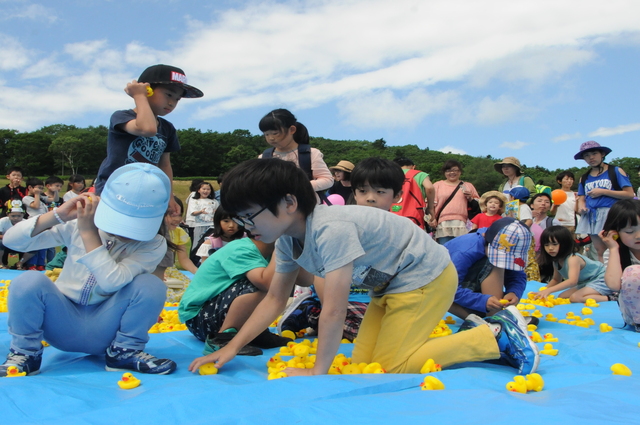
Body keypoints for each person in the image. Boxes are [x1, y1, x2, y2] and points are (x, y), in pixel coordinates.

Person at [188, 159, 539, 376]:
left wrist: (318, 371)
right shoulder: (287, 238)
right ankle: (483, 335)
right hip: (389, 287)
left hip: (424, 279)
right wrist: (231, 346)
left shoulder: (330, 229)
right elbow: (274, 300)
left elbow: (335, 308)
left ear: (289, 202)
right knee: (365, 362)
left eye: (251, 215)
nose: (246, 226)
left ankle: (491, 338)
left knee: (391, 367)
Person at [0, 163, 177, 376]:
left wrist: (89, 233)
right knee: (26, 281)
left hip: (107, 328)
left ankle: (125, 351)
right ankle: (25, 353)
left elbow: (112, 281)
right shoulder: (76, 222)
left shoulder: (153, 243)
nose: (125, 232)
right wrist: (59, 215)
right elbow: (12, 241)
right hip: (60, 322)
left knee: (151, 286)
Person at [93, 64, 203, 215]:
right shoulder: (122, 116)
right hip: (114, 189)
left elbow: (165, 165)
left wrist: (169, 196)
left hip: (145, 193)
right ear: (147, 90)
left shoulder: (167, 128)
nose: (172, 103)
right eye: (168, 95)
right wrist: (139, 96)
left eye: (177, 99)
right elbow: (148, 129)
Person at [179, 237, 290, 356]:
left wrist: (295, 253)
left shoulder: (267, 252)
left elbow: (305, 280)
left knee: (277, 282)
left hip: (213, 314)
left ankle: (254, 333)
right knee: (263, 285)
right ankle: (223, 338)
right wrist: (281, 249)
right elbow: (267, 283)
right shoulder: (241, 249)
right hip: (200, 319)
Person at [446, 218, 531, 319]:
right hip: (440, 287)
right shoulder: (464, 252)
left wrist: (513, 292)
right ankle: (491, 318)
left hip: (465, 287)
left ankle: (488, 316)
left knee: (496, 264)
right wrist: (482, 301)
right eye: (500, 256)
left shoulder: (491, 240)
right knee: (493, 265)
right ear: (484, 237)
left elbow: (517, 274)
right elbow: (449, 288)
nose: (502, 261)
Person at [574, 141, 634, 263]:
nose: (591, 157)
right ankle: (604, 277)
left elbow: (629, 194)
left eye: (594, 153)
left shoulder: (615, 171)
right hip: (592, 217)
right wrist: (582, 207)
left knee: (618, 248)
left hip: (612, 214)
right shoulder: (584, 177)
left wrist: (604, 191)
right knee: (599, 250)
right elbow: (581, 198)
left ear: (602, 154)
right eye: (586, 155)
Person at [258, 108, 333, 194]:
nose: (271, 138)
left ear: (292, 130)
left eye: (275, 133)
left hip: (306, 205)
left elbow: (327, 180)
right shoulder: (264, 157)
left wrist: (299, 187)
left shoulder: (310, 154)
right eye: (266, 134)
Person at [533, 226, 614, 303]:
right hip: (585, 282)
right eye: (546, 245)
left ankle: (612, 298)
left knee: (575, 298)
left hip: (601, 279)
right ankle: (593, 292)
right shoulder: (556, 261)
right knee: (562, 296)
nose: (550, 248)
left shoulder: (573, 258)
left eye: (554, 244)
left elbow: (572, 281)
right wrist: (543, 291)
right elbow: (556, 279)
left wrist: (549, 290)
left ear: (565, 244)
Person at [600, 199, 640, 331]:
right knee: (633, 272)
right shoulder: (613, 254)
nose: (638, 236)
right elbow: (614, 285)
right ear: (615, 233)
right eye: (629, 231)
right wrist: (613, 249)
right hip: (634, 314)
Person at [154, 197, 198, 303]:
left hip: (171, 271)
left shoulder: (179, 232)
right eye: (172, 215)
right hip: (152, 271)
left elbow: (184, 260)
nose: (177, 219)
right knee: (164, 294)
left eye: (179, 214)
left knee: (192, 290)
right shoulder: (152, 233)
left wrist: (199, 274)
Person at [433, 160, 479, 244]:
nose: (452, 172)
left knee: (460, 251)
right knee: (445, 250)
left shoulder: (468, 186)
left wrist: (470, 198)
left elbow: (479, 206)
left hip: (463, 224)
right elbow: (430, 204)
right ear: (444, 172)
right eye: (448, 170)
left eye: (455, 170)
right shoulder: (437, 185)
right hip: (443, 223)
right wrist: (431, 219)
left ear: (460, 172)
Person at [394, 157, 436, 227]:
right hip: (414, 214)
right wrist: (430, 208)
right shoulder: (420, 174)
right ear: (413, 167)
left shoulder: (389, 175)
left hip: (392, 212)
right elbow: (429, 188)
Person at [185, 182, 218, 255]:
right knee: (197, 243)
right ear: (199, 190)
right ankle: (194, 259)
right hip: (199, 225)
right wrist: (201, 211)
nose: (206, 191)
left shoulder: (214, 201)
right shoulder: (194, 201)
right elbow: (193, 212)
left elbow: (217, 212)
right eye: (204, 189)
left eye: (208, 189)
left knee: (210, 243)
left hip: (212, 225)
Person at [0, 201, 25, 268]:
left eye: (19, 216)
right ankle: (1, 263)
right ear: (8, 214)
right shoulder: (3, 221)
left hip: (20, 244)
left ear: (23, 215)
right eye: (13, 216)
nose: (16, 218)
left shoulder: (26, 223)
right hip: (5, 243)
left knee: (33, 245)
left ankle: (21, 263)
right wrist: (10, 237)